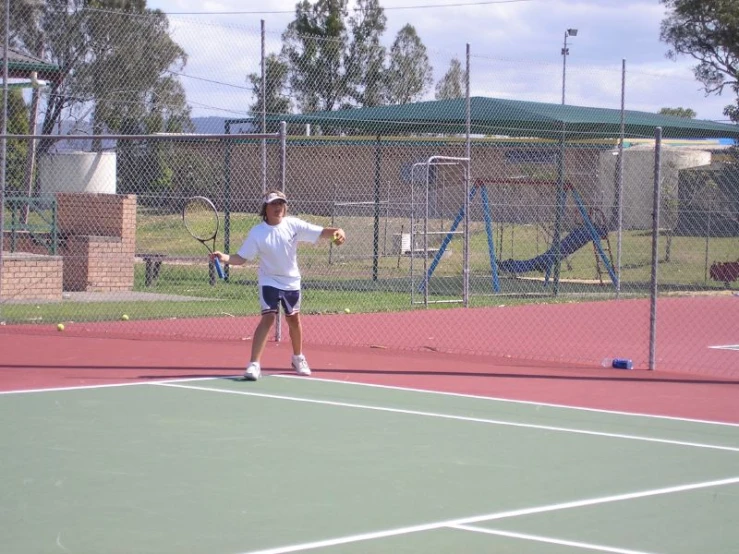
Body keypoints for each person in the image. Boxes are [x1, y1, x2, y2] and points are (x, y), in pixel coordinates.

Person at [211, 190, 345, 381]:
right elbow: (240, 258)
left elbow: (323, 232)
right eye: (273, 204)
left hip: (291, 280)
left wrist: (339, 232)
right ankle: (254, 365)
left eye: (281, 204)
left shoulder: (294, 225)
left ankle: (298, 357)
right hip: (269, 280)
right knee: (268, 318)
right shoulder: (257, 232)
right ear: (265, 208)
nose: (278, 207)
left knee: (294, 320)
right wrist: (223, 257)